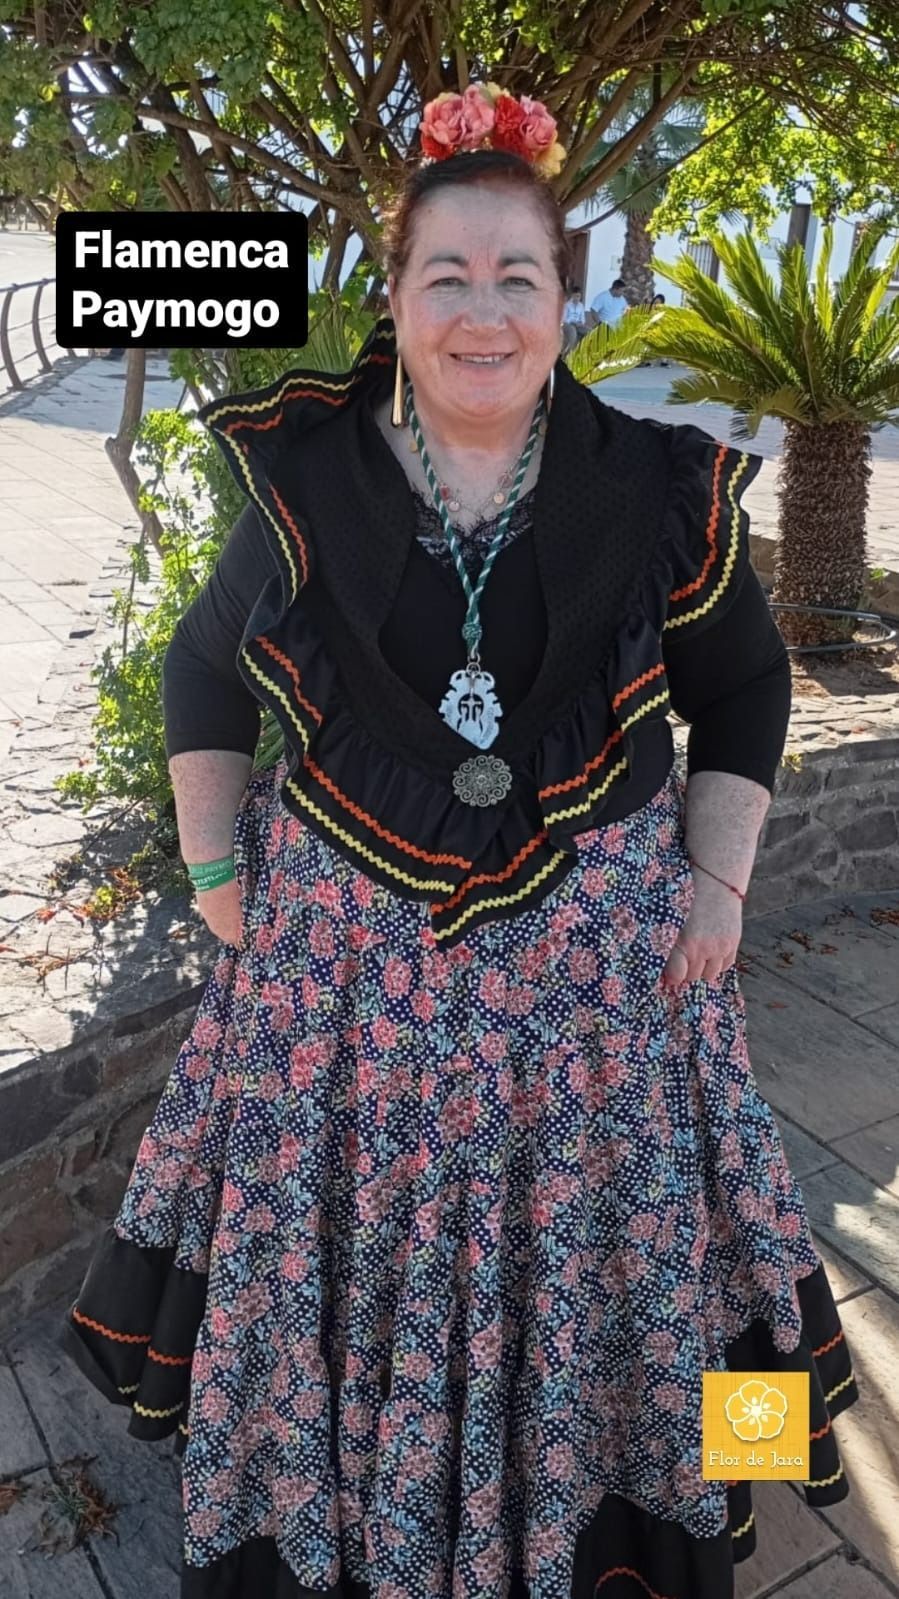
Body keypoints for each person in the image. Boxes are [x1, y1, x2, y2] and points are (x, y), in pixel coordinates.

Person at [61, 79, 859, 1599]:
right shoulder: (306, 480)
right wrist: (219, 872)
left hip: (605, 1008)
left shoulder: (659, 486)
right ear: (396, 294)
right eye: (447, 275)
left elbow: (746, 682)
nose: (481, 312)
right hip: (349, 1011)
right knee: (352, 1280)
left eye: (516, 276)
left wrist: (717, 880)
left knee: (675, 1266)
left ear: (564, 299)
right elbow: (199, 667)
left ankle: (678, 1530)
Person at [561, 283, 585, 352]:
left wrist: (581, 323)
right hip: (567, 324)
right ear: (572, 296)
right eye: (575, 296)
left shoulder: (581, 306)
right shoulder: (567, 305)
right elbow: (563, 319)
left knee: (590, 331)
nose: (577, 298)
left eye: (578, 296)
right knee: (573, 332)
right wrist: (572, 321)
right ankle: (568, 353)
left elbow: (583, 319)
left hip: (578, 324)